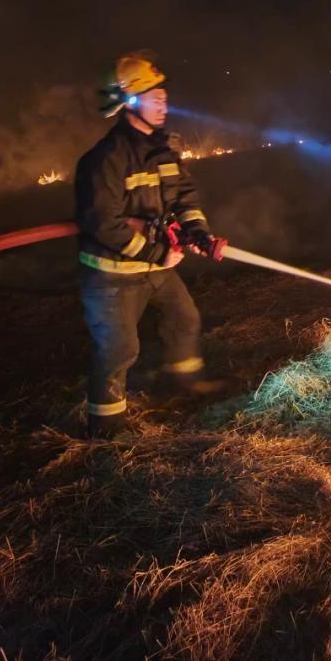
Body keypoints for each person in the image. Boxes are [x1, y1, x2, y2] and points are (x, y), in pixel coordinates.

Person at [75, 51, 228, 439]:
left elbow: (184, 200)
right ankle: (106, 432)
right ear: (131, 101)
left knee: (185, 318)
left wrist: (199, 234)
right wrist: (158, 252)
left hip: (156, 268)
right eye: (155, 98)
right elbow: (101, 223)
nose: (164, 105)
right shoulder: (105, 159)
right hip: (112, 274)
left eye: (164, 97)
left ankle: (185, 387)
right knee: (119, 350)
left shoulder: (164, 151)